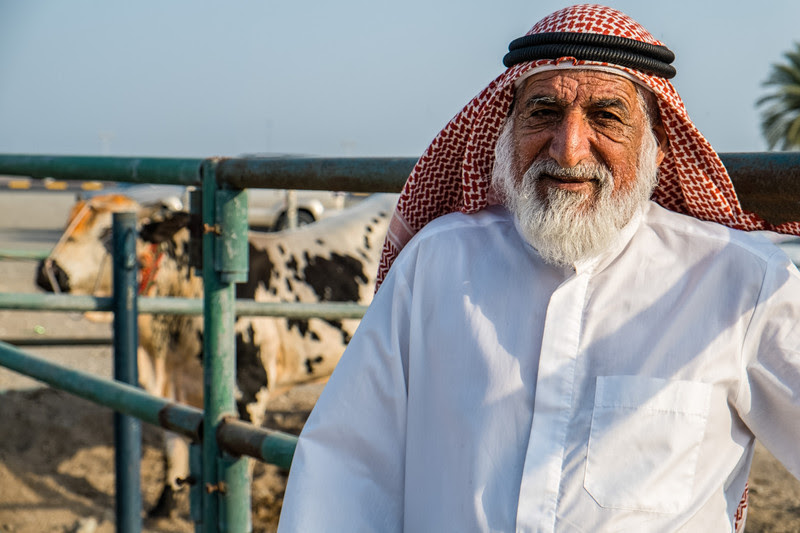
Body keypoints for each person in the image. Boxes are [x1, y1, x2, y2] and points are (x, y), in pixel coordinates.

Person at [278, 5, 800, 532]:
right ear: (506, 132)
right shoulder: (435, 266)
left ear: (658, 143)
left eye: (606, 116)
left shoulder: (742, 283)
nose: (569, 149)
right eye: (545, 112)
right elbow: (343, 475)